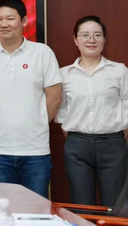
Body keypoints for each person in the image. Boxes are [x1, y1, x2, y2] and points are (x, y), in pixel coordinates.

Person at [0, 0, 62, 198]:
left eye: (10, 18)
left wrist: (36, 122)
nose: (4, 24)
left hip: (35, 151)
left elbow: (54, 96)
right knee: (1, 209)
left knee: (35, 209)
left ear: (24, 21)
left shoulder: (42, 53)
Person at [55, 15, 128, 206]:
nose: (91, 40)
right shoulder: (64, 74)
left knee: (114, 205)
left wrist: (119, 133)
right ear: (75, 40)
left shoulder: (119, 71)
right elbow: (62, 111)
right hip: (77, 146)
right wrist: (76, 137)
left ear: (104, 39)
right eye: (85, 35)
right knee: (81, 204)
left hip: (113, 145)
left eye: (97, 35)